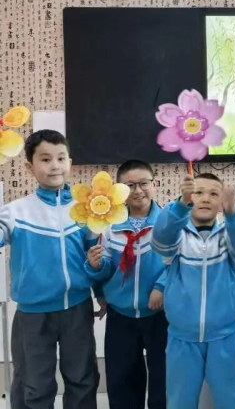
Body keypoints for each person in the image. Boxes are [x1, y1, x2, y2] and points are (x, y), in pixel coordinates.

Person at [0, 129, 100, 409]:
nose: (54, 165)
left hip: (77, 310)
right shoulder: (15, 212)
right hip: (33, 315)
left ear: (70, 162)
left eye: (61, 158)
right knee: (34, 384)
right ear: (29, 167)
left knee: (82, 379)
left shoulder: (85, 211)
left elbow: (95, 258)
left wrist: (102, 294)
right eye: (45, 159)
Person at [152, 172, 235, 409]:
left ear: (221, 203)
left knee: (231, 399)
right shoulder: (178, 236)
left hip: (224, 337)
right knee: (180, 400)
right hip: (182, 338)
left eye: (214, 194)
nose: (206, 198)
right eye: (198, 193)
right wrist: (180, 205)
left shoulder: (228, 236)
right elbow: (161, 239)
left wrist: (233, 213)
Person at [85, 159, 167, 409]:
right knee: (121, 382)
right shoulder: (109, 227)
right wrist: (96, 266)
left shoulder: (169, 223)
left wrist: (162, 286)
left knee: (164, 379)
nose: (138, 190)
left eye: (144, 183)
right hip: (120, 316)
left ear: (154, 184)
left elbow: (180, 262)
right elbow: (106, 269)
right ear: (119, 190)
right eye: (130, 186)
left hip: (161, 314)